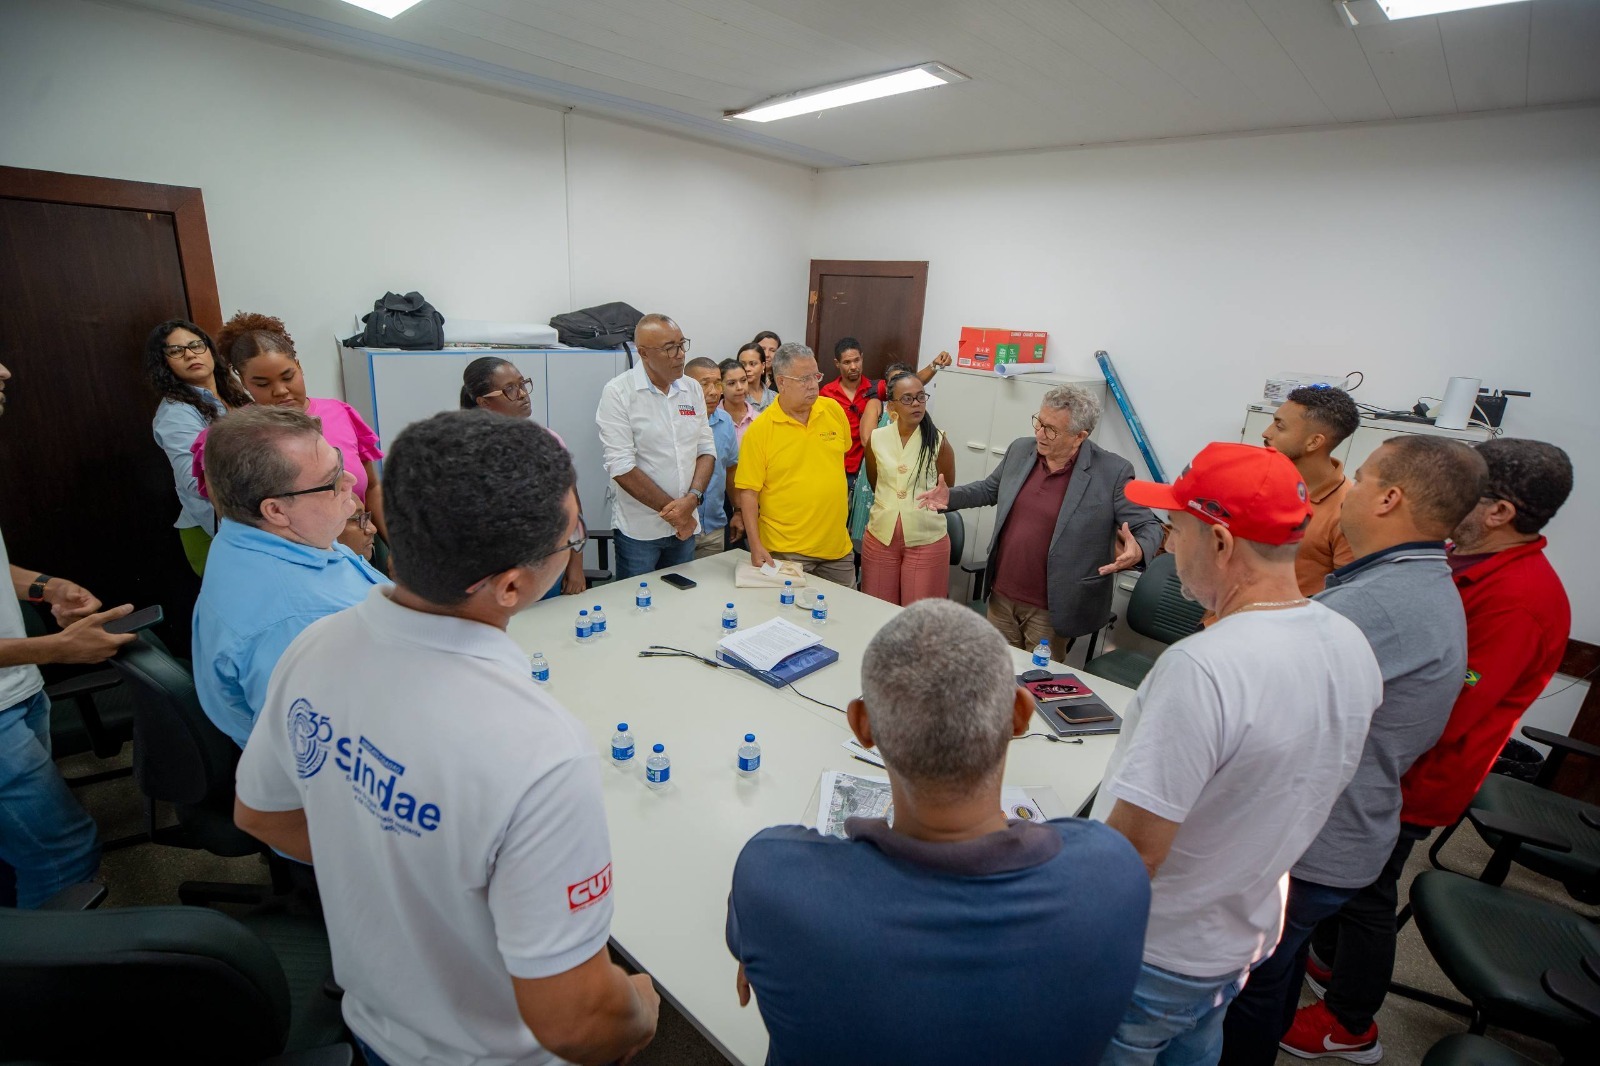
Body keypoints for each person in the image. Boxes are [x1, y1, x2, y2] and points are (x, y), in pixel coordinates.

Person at [234, 410, 659, 1066]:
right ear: (512, 586)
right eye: (570, 536)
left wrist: (390, 857)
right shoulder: (539, 752)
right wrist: (635, 1009)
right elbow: (577, 1023)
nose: (575, 540)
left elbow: (260, 812)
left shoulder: (315, 647)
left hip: (375, 1028)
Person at [728, 599, 1150, 1066]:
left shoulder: (771, 877)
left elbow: (753, 935)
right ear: (1020, 712)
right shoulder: (1114, 873)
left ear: (863, 726)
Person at [1090, 442, 1384, 1066]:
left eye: (1176, 530)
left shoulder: (1204, 667)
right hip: (1237, 943)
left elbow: (1136, 853)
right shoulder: (1350, 642)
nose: (1168, 547)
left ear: (1221, 543)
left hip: (1153, 953)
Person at [1279, 438, 1572, 1064]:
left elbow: (1445, 709)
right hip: (1385, 767)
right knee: (1345, 895)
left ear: (1497, 512)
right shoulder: (1459, 560)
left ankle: (1351, 1023)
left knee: (1367, 895)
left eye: (1471, 493)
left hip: (1415, 777)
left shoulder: (1520, 598)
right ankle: (1328, 966)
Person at [1221, 435, 1486, 1066]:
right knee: (1274, 976)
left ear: (1390, 498)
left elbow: (1252, 714)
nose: (1348, 490)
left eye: (1363, 478)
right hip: (1345, 827)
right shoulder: (1408, 585)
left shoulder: (1378, 608)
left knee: (1244, 987)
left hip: (1311, 843)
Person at [0, 359, 135, 908]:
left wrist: (47, 588)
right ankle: (55, 991)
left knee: (14, 857)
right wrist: (57, 648)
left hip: (17, 690)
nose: (7, 370)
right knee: (63, 853)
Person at [918, 384, 1162, 660]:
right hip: (1002, 595)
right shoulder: (1021, 450)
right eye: (1039, 422)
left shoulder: (1112, 472)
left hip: (1052, 608)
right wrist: (949, 497)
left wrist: (1138, 550)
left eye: (1051, 430)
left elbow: (1148, 526)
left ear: (1080, 436)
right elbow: (989, 489)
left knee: (1038, 684)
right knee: (995, 672)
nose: (1039, 433)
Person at [190, 407, 387, 748]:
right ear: (276, 510)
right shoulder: (298, 625)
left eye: (340, 462)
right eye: (332, 479)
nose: (351, 482)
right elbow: (338, 755)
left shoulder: (266, 533)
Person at [195, 313, 386, 561]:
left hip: (363, 550)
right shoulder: (228, 440)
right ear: (243, 381)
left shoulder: (340, 413)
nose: (281, 391)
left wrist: (397, 545)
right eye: (262, 383)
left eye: (288, 376)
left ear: (299, 366)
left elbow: (372, 487)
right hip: (294, 566)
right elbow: (233, 524)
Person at [596, 314, 715, 579]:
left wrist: (692, 499)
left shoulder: (692, 388)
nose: (680, 355)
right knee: (640, 604)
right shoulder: (618, 392)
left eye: (682, 344)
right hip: (641, 532)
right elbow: (621, 466)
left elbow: (706, 449)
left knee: (680, 601)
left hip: (685, 527)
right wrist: (678, 514)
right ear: (644, 353)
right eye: (670, 348)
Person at [459, 357, 585, 598]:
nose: (523, 394)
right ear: (484, 402)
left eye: (522, 384)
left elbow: (571, 507)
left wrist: (575, 565)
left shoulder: (548, 440)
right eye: (510, 389)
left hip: (547, 567)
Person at [735, 342, 854, 587]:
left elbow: (837, 460)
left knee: (844, 618)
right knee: (788, 620)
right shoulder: (760, 430)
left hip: (837, 548)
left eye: (815, 376)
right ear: (782, 382)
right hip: (786, 551)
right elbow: (748, 492)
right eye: (803, 379)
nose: (813, 385)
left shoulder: (833, 411)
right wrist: (755, 545)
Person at [144, 318, 250, 575]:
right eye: (177, 351)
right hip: (212, 532)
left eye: (195, 345)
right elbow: (196, 481)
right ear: (164, 363)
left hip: (252, 521)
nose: (190, 354)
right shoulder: (176, 412)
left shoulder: (233, 393)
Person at [859, 371, 955, 606]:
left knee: (918, 620)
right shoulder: (877, 438)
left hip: (926, 539)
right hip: (881, 536)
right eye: (908, 398)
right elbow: (875, 483)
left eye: (921, 397)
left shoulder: (938, 441)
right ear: (891, 405)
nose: (916, 404)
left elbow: (947, 488)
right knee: (877, 612)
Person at [1261, 385, 1359, 596]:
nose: (1266, 433)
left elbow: (1346, 596)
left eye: (1280, 427)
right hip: (1227, 613)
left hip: (1282, 623)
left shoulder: (1347, 512)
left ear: (1314, 442)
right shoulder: (1261, 479)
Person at [685, 357, 741, 557]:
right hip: (682, 526)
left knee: (711, 585)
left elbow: (731, 469)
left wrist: (738, 511)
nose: (714, 391)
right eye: (704, 384)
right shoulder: (676, 422)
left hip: (715, 526)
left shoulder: (725, 421)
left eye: (718, 383)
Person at [818, 337, 882, 496]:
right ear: (837, 363)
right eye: (847, 362)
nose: (853, 366)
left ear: (862, 358)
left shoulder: (876, 388)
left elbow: (908, 385)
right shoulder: (826, 393)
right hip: (837, 467)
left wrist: (934, 366)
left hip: (866, 467)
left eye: (857, 360)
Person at [718, 357, 761, 443]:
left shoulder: (760, 420)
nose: (740, 387)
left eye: (743, 380)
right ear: (720, 387)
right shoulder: (711, 420)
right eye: (732, 383)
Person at [737, 341, 776, 408]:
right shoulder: (735, 398)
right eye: (743, 364)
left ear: (763, 365)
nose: (747, 369)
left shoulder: (775, 398)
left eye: (752, 364)